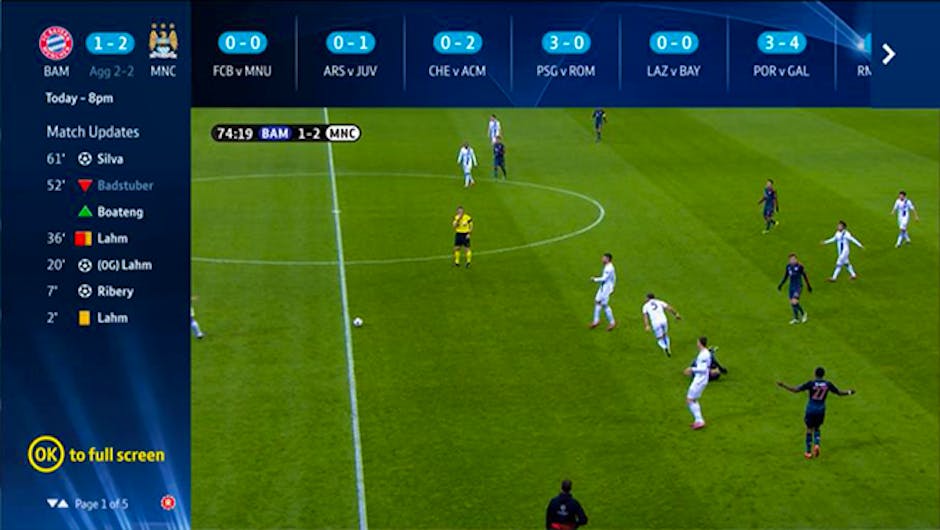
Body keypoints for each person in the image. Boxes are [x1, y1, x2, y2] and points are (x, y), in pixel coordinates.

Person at [777, 367, 855, 459]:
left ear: (815, 374)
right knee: (817, 427)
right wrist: (849, 392)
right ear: (823, 374)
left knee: (809, 429)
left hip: (811, 409)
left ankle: (808, 452)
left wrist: (783, 385)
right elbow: (839, 393)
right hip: (821, 410)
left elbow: (795, 390)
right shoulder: (828, 384)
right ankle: (817, 444)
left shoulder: (811, 383)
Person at [682, 337, 712, 430]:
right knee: (692, 400)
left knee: (689, 400)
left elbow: (703, 369)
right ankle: (698, 420)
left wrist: (691, 369)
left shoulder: (704, 355)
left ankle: (700, 421)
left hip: (700, 380)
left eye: (697, 342)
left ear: (700, 343)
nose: (696, 344)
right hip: (699, 379)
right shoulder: (704, 353)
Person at [777, 253, 812, 324]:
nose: (792, 260)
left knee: (794, 301)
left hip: (798, 286)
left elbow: (805, 276)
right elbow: (786, 276)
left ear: (796, 259)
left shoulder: (800, 266)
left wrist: (808, 286)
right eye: (791, 259)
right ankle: (796, 318)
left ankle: (803, 314)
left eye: (794, 259)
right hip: (791, 286)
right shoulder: (788, 267)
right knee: (792, 303)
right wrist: (781, 284)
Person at [589, 253, 616, 331]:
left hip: (606, 289)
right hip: (603, 287)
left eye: (604, 258)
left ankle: (612, 322)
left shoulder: (609, 268)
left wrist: (594, 279)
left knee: (604, 304)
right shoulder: (608, 266)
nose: (602, 259)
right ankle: (596, 321)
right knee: (597, 301)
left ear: (607, 259)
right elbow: (614, 278)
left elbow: (604, 278)